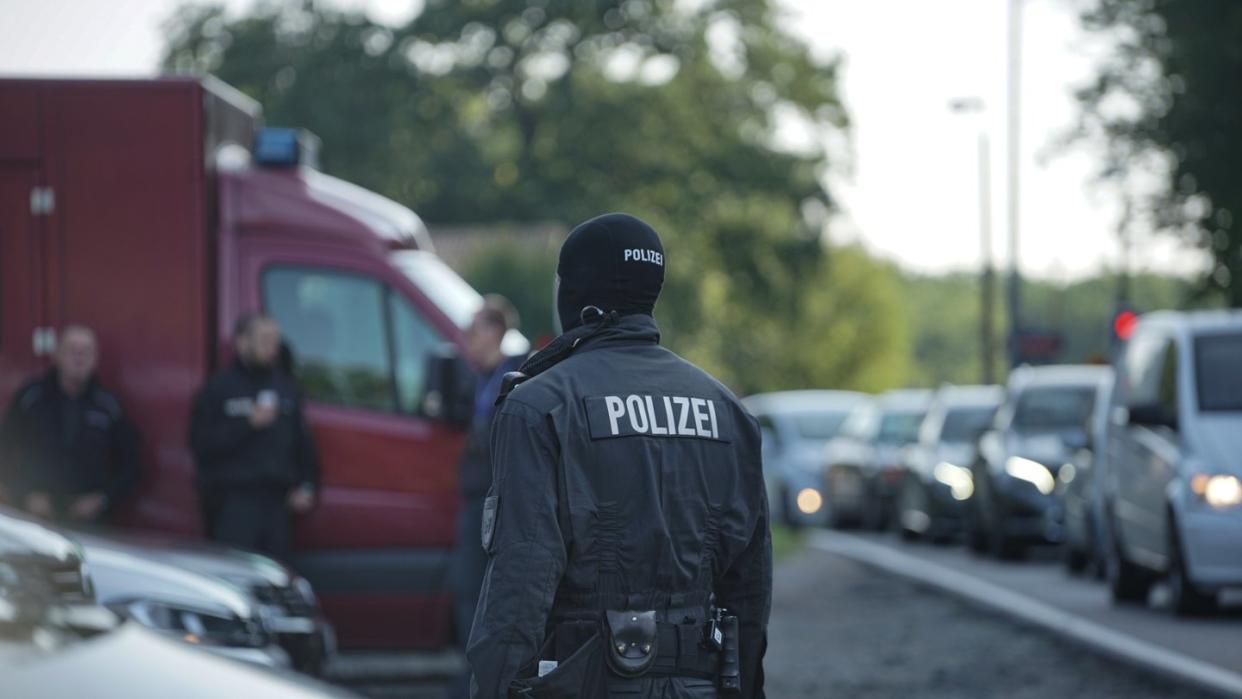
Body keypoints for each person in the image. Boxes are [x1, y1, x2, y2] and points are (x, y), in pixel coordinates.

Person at [467, 214, 771, 698]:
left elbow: (520, 584)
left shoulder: (539, 406)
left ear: (575, 292)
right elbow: (750, 591)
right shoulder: (729, 413)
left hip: (585, 680)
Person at [188, 313, 319, 559]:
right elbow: (200, 444)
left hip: (276, 505)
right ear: (242, 343)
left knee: (273, 580)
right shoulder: (219, 389)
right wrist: (248, 424)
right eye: (264, 340)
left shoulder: (286, 388)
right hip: (233, 503)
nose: (272, 348)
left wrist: (307, 484)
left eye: (275, 341)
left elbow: (303, 443)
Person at [448, 295, 525, 699]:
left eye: (472, 331)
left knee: (480, 592)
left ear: (495, 331)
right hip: (475, 498)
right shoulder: (478, 377)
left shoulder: (516, 376)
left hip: (496, 504)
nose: (465, 341)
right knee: (466, 590)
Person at [0, 325, 140, 523]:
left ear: (95, 358)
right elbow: (4, 449)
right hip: (36, 516)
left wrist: (102, 500)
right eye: (72, 350)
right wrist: (24, 494)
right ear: (57, 355)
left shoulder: (109, 406)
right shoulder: (31, 398)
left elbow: (131, 465)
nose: (79, 357)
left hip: (91, 521)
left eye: (86, 352)